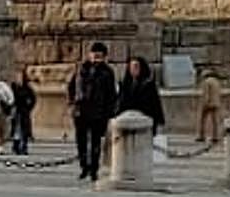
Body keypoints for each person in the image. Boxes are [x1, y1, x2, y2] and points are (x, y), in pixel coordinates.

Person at [67, 42, 117, 183]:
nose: (95, 57)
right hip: (81, 111)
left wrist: (109, 113)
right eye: (94, 54)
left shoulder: (107, 72)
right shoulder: (80, 69)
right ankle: (84, 167)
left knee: (95, 143)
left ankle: (94, 169)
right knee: (81, 141)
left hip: (98, 112)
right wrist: (72, 103)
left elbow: (111, 94)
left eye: (99, 55)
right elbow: (71, 86)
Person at [117, 56, 165, 135]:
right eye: (131, 67)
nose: (133, 69)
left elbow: (155, 104)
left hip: (144, 120)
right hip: (127, 120)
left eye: (136, 67)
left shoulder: (148, 85)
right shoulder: (125, 84)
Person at [11, 68, 37, 156]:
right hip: (16, 111)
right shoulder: (13, 87)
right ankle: (16, 146)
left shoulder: (27, 88)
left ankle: (24, 147)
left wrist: (29, 107)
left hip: (24, 111)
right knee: (16, 130)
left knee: (24, 130)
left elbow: (33, 99)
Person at [197, 68, 223, 144]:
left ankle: (202, 136)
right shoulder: (217, 82)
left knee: (202, 120)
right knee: (215, 121)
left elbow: (206, 94)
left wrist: (205, 103)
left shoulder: (206, 82)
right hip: (216, 102)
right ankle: (215, 136)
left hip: (208, 103)